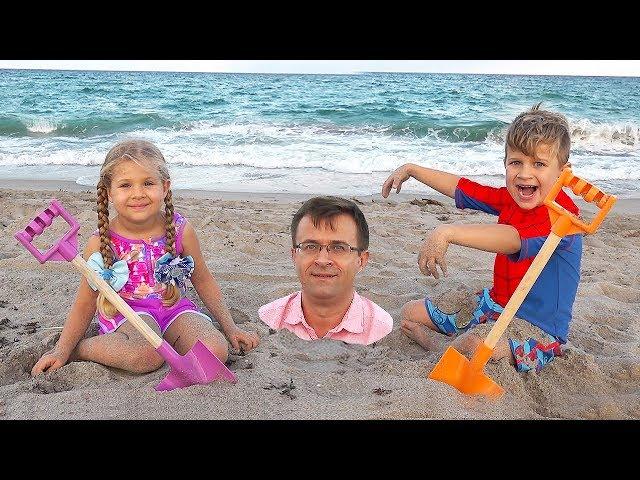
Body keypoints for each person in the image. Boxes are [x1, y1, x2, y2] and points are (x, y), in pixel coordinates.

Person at [32, 139, 259, 376]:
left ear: (165, 186)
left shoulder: (181, 229)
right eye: (125, 185)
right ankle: (83, 349)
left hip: (174, 309)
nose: (138, 194)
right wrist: (62, 350)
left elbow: (203, 279)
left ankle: (168, 339)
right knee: (146, 356)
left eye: (148, 183)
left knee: (215, 350)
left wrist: (230, 328)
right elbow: (86, 302)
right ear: (109, 192)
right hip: (127, 315)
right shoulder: (101, 242)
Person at [381, 104, 582, 372]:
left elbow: (514, 239)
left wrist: (447, 232)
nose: (524, 173)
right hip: (494, 304)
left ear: (562, 173)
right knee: (410, 311)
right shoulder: (512, 198)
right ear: (505, 164)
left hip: (537, 328)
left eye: (539, 164)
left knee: (476, 346)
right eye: (516, 162)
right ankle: (451, 344)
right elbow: (465, 189)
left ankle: (435, 347)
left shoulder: (563, 219)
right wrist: (412, 169)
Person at [258, 196, 393, 345]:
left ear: (361, 260)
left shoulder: (381, 329)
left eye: (338, 248)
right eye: (310, 246)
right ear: (294, 255)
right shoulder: (268, 319)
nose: (322, 260)